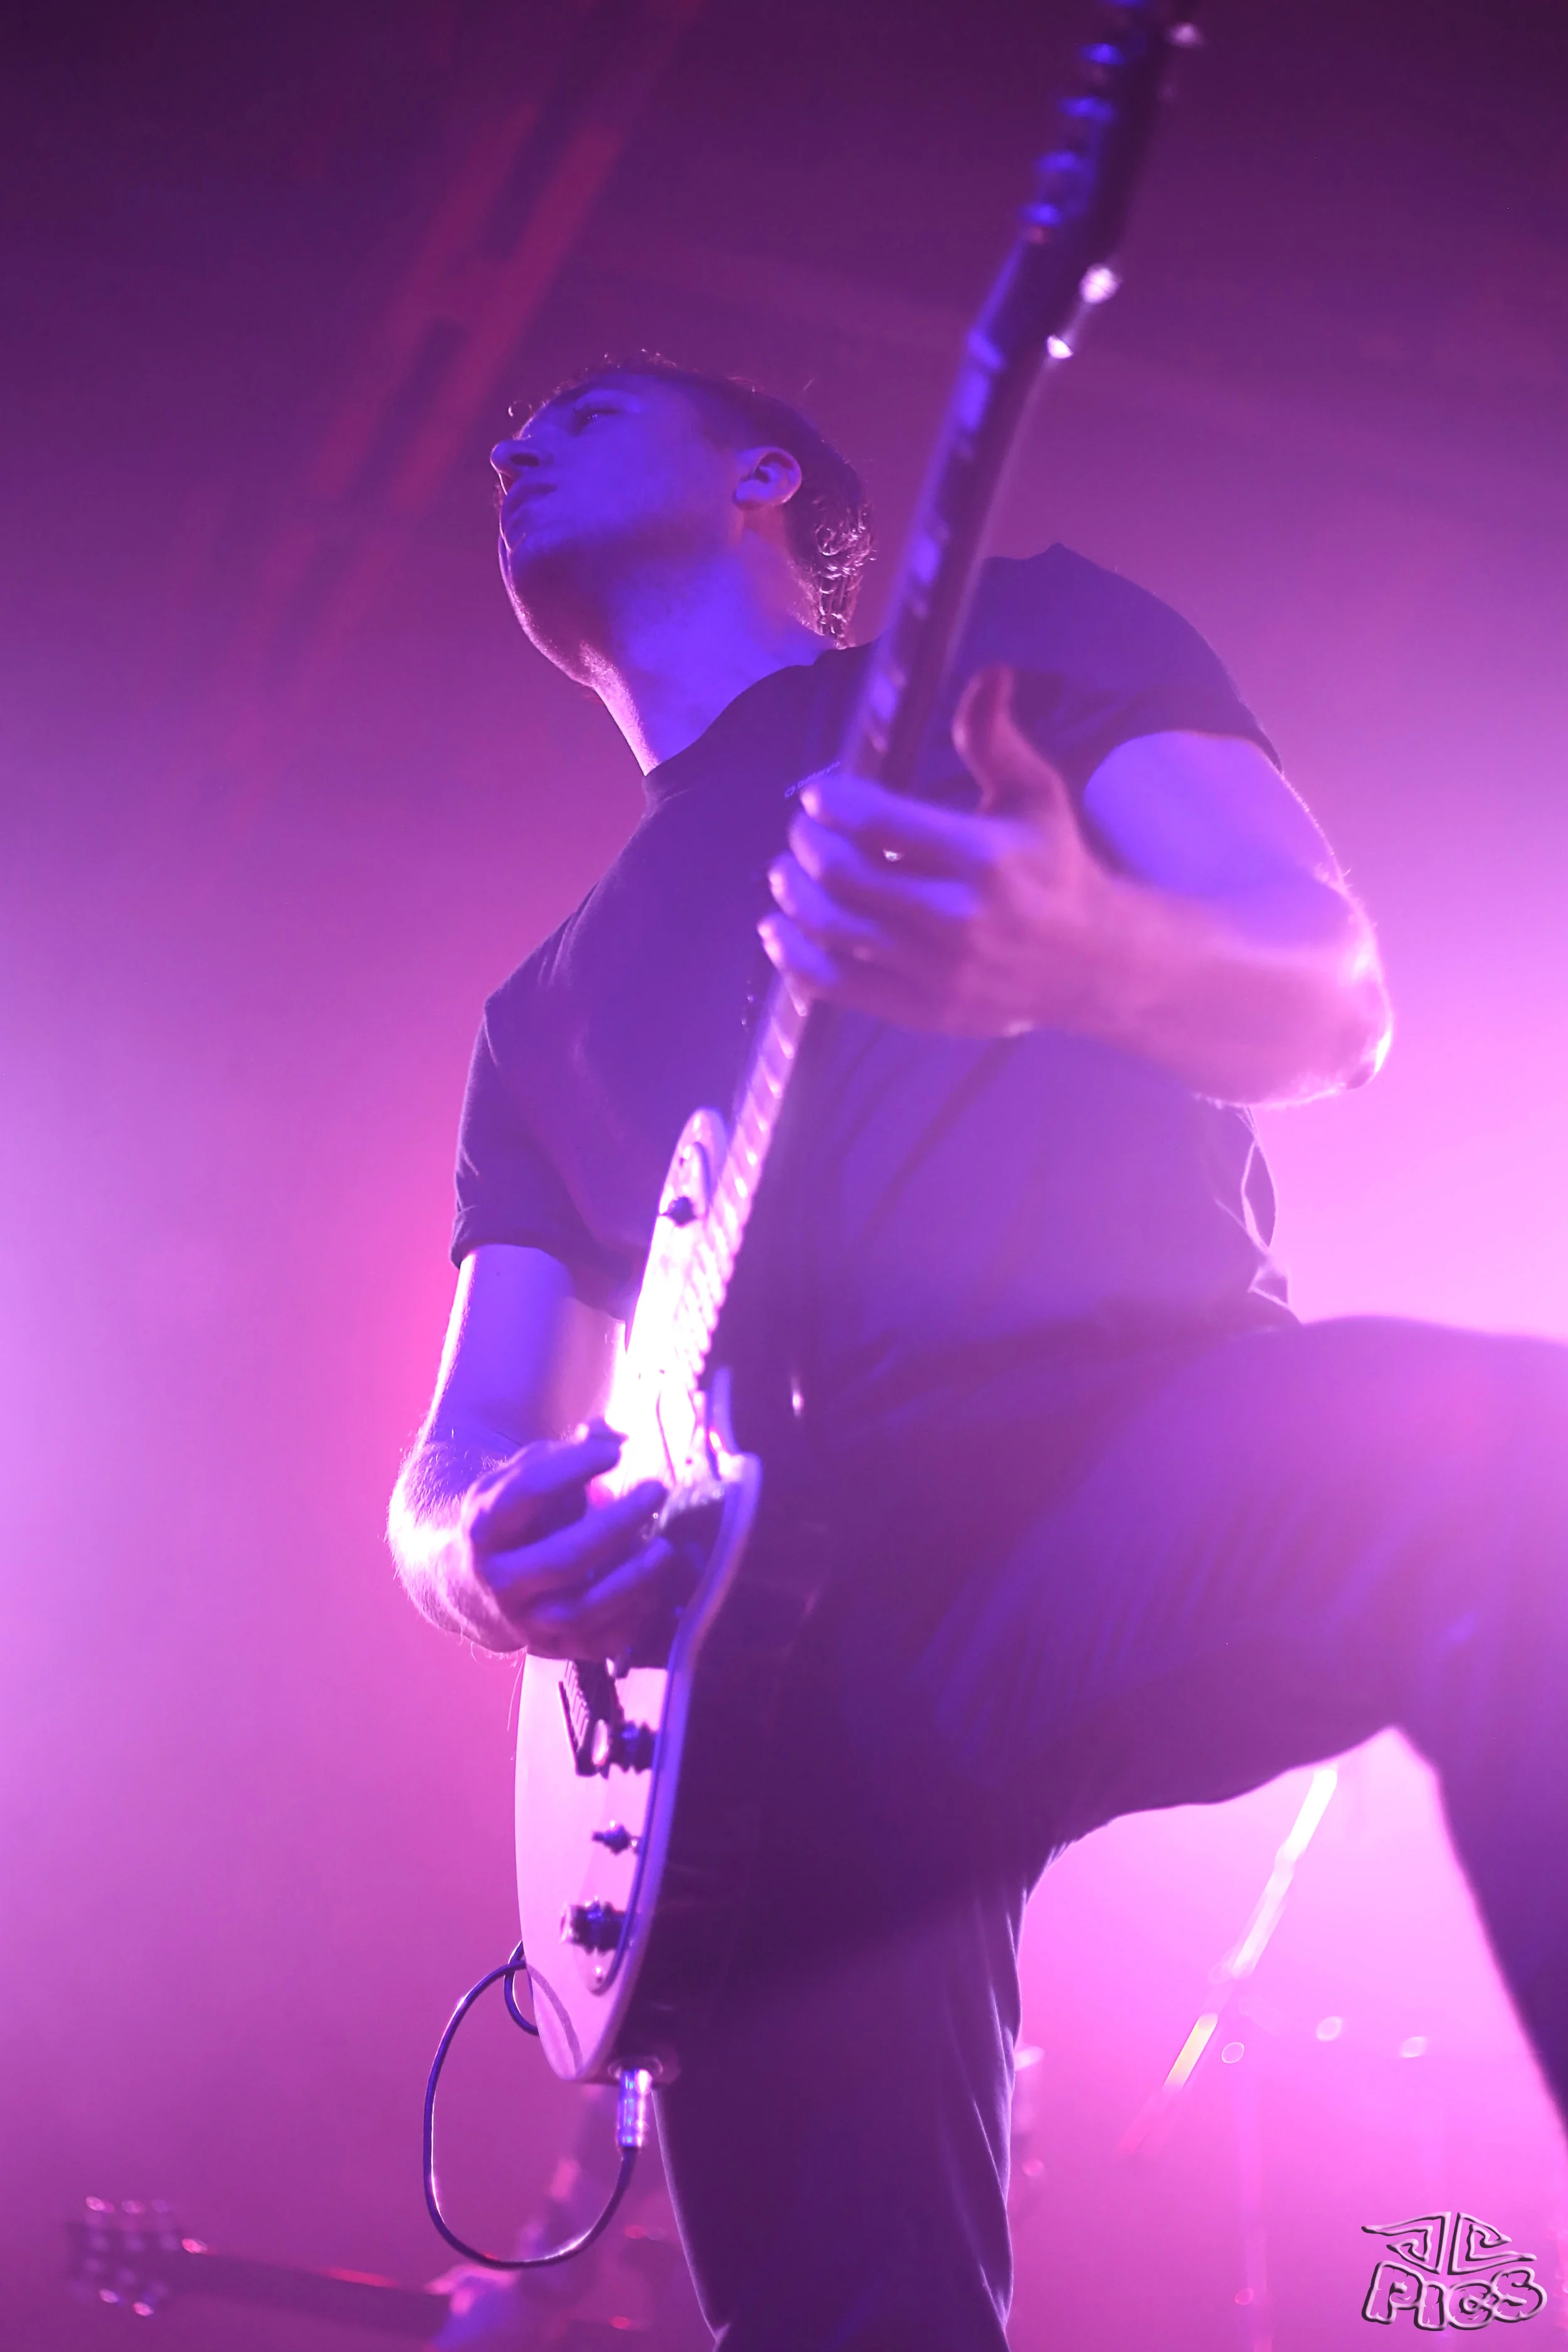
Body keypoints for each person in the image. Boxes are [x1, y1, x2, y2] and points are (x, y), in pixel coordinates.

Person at [388, 359, 1568, 2350]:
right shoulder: (540, 1014)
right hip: (774, 1707)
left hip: (1119, 1473)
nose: (512, 441)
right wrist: (473, 1558)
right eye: (507, 437)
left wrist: (1086, 953)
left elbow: (1327, 995)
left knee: (1506, 1468)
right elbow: (461, 1447)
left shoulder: (1016, 642)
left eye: (583, 410)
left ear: (762, 474)